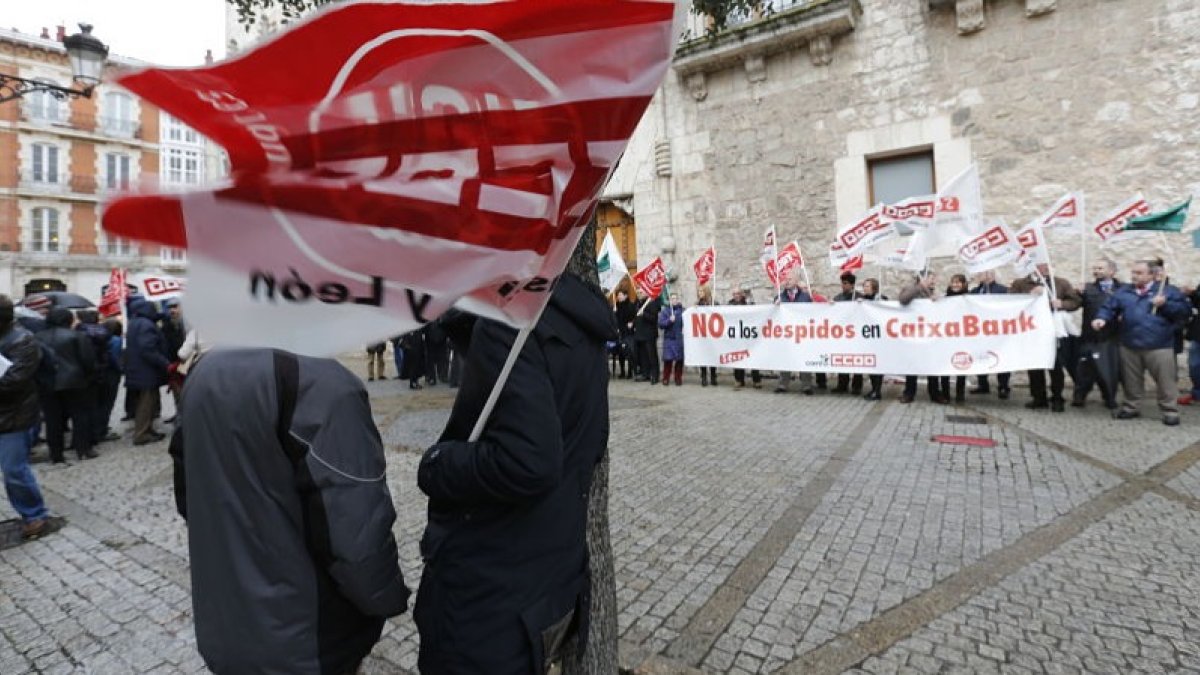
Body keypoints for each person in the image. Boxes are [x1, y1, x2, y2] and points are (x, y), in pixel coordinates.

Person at [415, 273, 614, 673]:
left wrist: (437, 465)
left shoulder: (511, 325)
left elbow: (529, 461)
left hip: (493, 591)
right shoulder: (574, 316)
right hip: (547, 574)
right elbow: (589, 440)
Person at [175, 348, 410, 673]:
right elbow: (358, 536)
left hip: (225, 623)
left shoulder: (203, 372)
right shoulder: (324, 385)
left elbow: (190, 496)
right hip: (305, 636)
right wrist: (386, 598)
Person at [1093, 259, 1191, 426]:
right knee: (1131, 380)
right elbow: (1108, 307)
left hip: (1159, 344)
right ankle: (1131, 407)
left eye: (1139, 273)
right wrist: (1101, 318)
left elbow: (1184, 312)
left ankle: (1170, 411)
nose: (1134, 276)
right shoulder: (1124, 291)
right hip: (1130, 343)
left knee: (1165, 380)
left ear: (1152, 275)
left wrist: (1165, 304)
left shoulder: (1168, 292)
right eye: (1133, 272)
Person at [0, 295, 59, 540]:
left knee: (14, 469)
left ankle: (35, 514)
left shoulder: (24, 340)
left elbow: (13, 381)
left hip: (15, 416)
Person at [1010, 263, 1082, 412]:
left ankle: (1057, 398)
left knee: (1055, 366)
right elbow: (1010, 303)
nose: (1047, 268)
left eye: (1048, 265)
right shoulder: (1020, 284)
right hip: (1031, 330)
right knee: (1035, 366)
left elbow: (1075, 302)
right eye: (1042, 266)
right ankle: (1038, 397)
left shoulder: (1061, 283)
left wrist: (1061, 303)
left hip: (1053, 331)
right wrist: (1029, 296)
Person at [36, 308, 98, 462]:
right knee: (80, 416)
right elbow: (88, 360)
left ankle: (56, 454)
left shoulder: (37, 337)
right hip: (74, 381)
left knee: (53, 420)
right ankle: (83, 449)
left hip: (47, 382)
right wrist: (89, 376)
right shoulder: (77, 336)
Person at [1074, 260, 1123, 409]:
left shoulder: (1123, 289)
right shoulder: (1087, 288)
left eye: (1100, 268)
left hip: (1112, 336)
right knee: (1085, 369)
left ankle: (1109, 397)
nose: (1096, 270)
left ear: (1112, 271)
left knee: (1109, 369)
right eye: (1095, 267)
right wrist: (1075, 293)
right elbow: (1073, 303)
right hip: (1090, 336)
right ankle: (1080, 396)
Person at [126, 297, 170, 445]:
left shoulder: (135, 322)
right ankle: (142, 434)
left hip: (138, 370)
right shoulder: (146, 325)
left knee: (146, 402)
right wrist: (165, 364)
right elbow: (148, 349)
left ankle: (147, 430)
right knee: (147, 403)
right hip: (147, 371)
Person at [899, 273, 945, 404]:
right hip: (913, 334)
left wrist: (937, 300)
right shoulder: (911, 289)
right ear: (922, 278)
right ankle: (909, 393)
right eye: (931, 277)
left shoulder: (934, 292)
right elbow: (903, 300)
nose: (934, 280)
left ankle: (935, 393)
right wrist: (919, 287)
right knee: (913, 364)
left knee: (932, 365)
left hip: (930, 334)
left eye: (934, 277)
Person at [968, 271, 1012, 399]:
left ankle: (1003, 387)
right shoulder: (975, 291)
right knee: (981, 357)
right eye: (980, 274)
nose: (982, 276)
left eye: (985, 274)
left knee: (1001, 357)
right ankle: (983, 385)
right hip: (980, 330)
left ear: (992, 276)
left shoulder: (1003, 290)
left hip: (998, 330)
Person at [76, 310, 116, 444]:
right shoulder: (103, 334)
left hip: (85, 374)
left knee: (88, 406)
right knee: (102, 404)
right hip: (101, 372)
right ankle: (98, 431)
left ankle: (92, 433)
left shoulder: (79, 334)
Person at [775, 272, 815, 395]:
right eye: (785, 279)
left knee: (803, 358)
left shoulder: (805, 296)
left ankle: (806, 385)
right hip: (786, 334)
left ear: (796, 281)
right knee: (785, 358)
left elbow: (812, 313)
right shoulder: (780, 297)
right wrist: (775, 306)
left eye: (789, 279)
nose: (787, 281)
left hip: (801, 333)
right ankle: (783, 384)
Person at [831, 273, 863, 395]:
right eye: (842, 283)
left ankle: (856, 386)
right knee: (842, 360)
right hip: (842, 334)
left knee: (856, 361)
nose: (843, 286)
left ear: (852, 285)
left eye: (845, 283)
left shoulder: (859, 297)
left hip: (855, 334)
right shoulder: (838, 298)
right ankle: (842, 384)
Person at [941, 274, 970, 403]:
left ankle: (960, 394)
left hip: (962, 337)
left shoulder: (969, 298)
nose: (955, 285)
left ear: (963, 284)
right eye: (953, 282)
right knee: (944, 366)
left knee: (962, 366)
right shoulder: (945, 298)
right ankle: (945, 394)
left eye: (958, 282)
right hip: (947, 337)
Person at [860, 278, 887, 401]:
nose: (865, 288)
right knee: (871, 365)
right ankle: (874, 389)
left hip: (878, 337)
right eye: (864, 286)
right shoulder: (862, 300)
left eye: (867, 286)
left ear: (874, 288)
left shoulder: (881, 298)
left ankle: (877, 391)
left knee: (878, 365)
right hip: (867, 337)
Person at [729, 288, 761, 389]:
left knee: (753, 356)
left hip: (748, 333)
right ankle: (739, 380)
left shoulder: (747, 302)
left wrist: (750, 300)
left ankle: (756, 380)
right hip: (737, 335)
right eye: (734, 294)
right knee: (738, 358)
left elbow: (754, 311)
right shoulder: (729, 304)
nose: (736, 295)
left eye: (738, 293)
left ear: (742, 294)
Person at [99, 319, 124, 440]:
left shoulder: (103, 338)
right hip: (112, 374)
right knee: (108, 403)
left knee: (101, 402)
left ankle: (99, 427)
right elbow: (115, 358)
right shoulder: (116, 340)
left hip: (102, 374)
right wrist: (121, 368)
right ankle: (102, 429)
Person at [633, 293, 661, 385]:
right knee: (643, 356)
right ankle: (646, 374)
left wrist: (643, 313)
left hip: (649, 334)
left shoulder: (651, 303)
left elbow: (653, 318)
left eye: (641, 292)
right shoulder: (638, 303)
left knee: (651, 355)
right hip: (640, 333)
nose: (639, 294)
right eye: (638, 292)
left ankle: (655, 375)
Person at [659, 292, 686, 386]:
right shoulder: (665, 311)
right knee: (668, 360)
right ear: (669, 300)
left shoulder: (682, 311)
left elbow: (687, 322)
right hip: (669, 339)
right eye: (672, 299)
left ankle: (678, 378)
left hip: (678, 338)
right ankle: (666, 378)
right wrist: (669, 321)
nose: (673, 300)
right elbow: (661, 324)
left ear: (677, 300)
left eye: (675, 298)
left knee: (679, 360)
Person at [696, 287, 718, 387]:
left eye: (701, 291)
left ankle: (713, 376)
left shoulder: (714, 302)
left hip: (712, 333)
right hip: (702, 334)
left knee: (712, 355)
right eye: (699, 291)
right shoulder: (697, 304)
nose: (700, 293)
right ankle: (704, 377)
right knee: (702, 355)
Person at [614, 289, 637, 380]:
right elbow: (615, 319)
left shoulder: (631, 306)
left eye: (620, 295)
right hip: (620, 332)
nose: (618, 297)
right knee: (620, 353)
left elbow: (635, 317)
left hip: (628, 332)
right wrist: (615, 312)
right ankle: (622, 371)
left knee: (629, 352)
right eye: (618, 295)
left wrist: (632, 323)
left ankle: (630, 372)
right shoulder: (616, 306)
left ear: (625, 296)